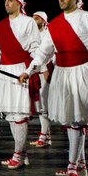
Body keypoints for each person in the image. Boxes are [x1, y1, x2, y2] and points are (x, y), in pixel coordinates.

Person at [21, 0, 88, 176]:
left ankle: (72, 165)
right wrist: (29, 71)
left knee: (78, 119)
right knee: (70, 119)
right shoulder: (54, 24)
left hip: (81, 71)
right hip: (62, 73)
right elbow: (43, 52)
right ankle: (80, 165)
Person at [0, 0, 40, 169]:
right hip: (5, 72)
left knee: (20, 114)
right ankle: (21, 153)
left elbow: (36, 49)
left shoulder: (28, 22)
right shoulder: (0, 26)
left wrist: (30, 71)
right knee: (12, 116)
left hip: (21, 69)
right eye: (5, 1)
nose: (6, 4)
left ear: (19, 4)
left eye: (10, 1)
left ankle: (18, 154)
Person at [28, 11, 54, 148]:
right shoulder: (31, 35)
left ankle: (44, 135)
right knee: (39, 106)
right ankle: (45, 134)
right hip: (33, 72)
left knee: (44, 104)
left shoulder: (48, 34)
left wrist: (46, 69)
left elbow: (51, 53)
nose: (34, 20)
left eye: (37, 18)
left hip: (44, 72)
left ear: (44, 21)